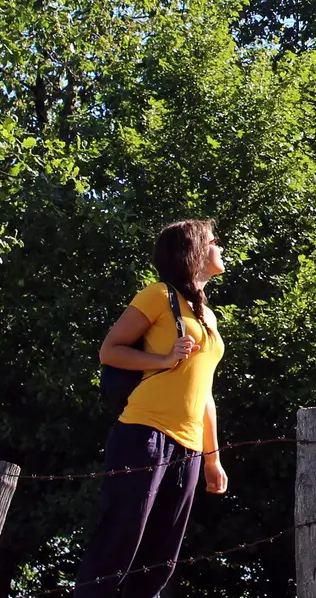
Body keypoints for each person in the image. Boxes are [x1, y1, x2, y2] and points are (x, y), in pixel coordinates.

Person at [75, 219, 229, 596]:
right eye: (213, 241)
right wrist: (162, 359)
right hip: (144, 433)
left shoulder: (207, 316)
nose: (220, 247)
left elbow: (204, 391)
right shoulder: (158, 295)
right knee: (117, 546)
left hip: (189, 450)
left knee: (160, 562)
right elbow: (110, 350)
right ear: (194, 252)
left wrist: (212, 459)